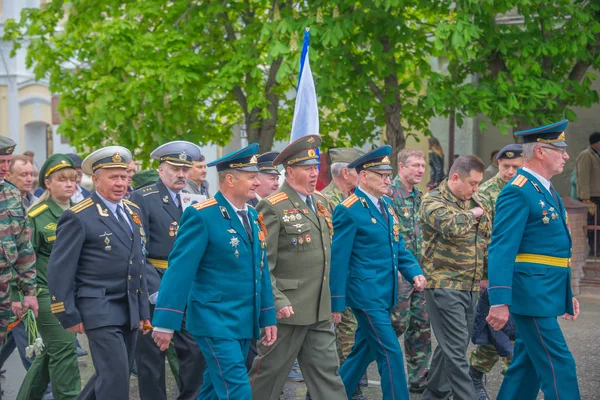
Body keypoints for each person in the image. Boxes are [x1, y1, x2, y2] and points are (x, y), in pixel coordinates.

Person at [151, 143, 277, 400]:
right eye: (251, 177)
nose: (257, 182)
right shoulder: (202, 216)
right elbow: (179, 271)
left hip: (244, 320)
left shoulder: (252, 215)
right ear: (230, 179)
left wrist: (267, 315)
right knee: (237, 390)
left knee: (211, 390)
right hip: (215, 321)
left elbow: (260, 270)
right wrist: (165, 322)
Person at [487, 120, 581, 400]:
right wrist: (499, 300)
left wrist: (567, 293)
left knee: (526, 367)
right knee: (560, 365)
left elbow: (552, 251)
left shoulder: (545, 189)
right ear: (540, 152)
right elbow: (502, 248)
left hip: (543, 291)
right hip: (531, 295)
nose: (566, 155)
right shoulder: (518, 190)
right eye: (560, 149)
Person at [47, 146, 150, 400]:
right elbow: (60, 268)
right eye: (113, 177)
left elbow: (138, 263)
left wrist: (143, 310)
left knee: (115, 374)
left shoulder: (133, 212)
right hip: (99, 307)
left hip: (129, 306)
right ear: (96, 179)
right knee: (115, 378)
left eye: (124, 176)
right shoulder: (78, 216)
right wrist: (67, 312)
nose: (120, 183)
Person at [248, 135, 346, 400]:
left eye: (315, 168)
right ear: (290, 171)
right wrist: (277, 300)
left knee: (328, 376)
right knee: (267, 377)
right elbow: (261, 263)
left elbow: (327, 256)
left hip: (318, 309)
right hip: (287, 312)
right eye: (307, 168)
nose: (314, 174)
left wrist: (333, 301)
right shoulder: (272, 206)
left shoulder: (322, 203)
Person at [330, 145, 427, 400]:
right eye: (381, 175)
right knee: (390, 352)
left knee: (363, 351)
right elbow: (339, 260)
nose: (387, 180)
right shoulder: (349, 209)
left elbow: (399, 247)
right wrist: (336, 302)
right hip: (365, 295)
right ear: (363, 177)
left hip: (385, 293)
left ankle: (329, 395)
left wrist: (413, 271)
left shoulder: (385, 205)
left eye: (388, 174)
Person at [130, 141, 206, 400]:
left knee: (195, 351)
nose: (181, 174)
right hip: (155, 284)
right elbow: (137, 250)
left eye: (185, 168)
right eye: (175, 168)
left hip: (187, 285)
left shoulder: (195, 200)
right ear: (160, 169)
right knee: (151, 358)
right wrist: (155, 289)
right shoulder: (143, 198)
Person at [420, 155, 491, 400]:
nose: (475, 189)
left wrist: (488, 277)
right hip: (443, 284)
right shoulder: (432, 200)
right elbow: (450, 226)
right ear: (455, 178)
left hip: (470, 286)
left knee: (455, 345)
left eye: (479, 184)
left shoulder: (475, 200)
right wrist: (474, 213)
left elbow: (486, 239)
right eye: (472, 183)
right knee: (456, 352)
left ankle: (433, 394)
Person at [17, 154, 81, 400]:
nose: (69, 184)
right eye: (62, 180)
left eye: (73, 180)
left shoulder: (81, 211)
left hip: (74, 293)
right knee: (65, 351)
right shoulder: (37, 216)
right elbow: (24, 259)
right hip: (46, 294)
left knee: (50, 353)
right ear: (48, 183)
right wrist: (24, 295)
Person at [468, 144, 523, 400]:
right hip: (496, 275)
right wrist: (485, 275)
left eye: (516, 167)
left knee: (511, 333)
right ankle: (477, 377)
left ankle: (482, 377)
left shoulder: (529, 188)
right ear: (498, 164)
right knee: (498, 332)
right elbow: (482, 239)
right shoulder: (487, 192)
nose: (510, 172)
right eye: (505, 167)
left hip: (522, 273)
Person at [320, 147, 365, 399]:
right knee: (344, 335)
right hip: (337, 279)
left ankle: (349, 382)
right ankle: (350, 387)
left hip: (354, 278)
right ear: (346, 172)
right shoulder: (325, 200)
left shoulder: (353, 197)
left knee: (353, 332)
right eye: (359, 170)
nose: (362, 175)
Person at [388, 148, 432, 394]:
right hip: (397, 273)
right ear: (401, 167)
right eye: (415, 165)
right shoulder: (389, 194)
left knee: (421, 327)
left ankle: (420, 378)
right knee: (394, 326)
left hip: (419, 272)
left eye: (422, 166)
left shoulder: (419, 196)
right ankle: (360, 372)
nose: (420, 170)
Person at [0, 137, 38, 398]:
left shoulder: (12, 194)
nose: (4, 167)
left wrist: (28, 291)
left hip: (4, 293)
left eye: (6, 162)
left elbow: (24, 247)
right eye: (0, 162)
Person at [576, 131, 600, 255]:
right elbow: (583, 177)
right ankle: (594, 249)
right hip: (592, 197)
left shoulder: (597, 155)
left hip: (598, 196)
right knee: (593, 223)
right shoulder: (586, 155)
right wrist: (585, 198)